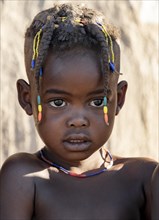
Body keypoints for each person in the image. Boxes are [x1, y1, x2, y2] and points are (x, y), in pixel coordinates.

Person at [0, 3, 158, 220]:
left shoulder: (145, 178)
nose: (78, 121)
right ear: (26, 99)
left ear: (119, 98)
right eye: (58, 103)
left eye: (96, 101)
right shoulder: (24, 177)